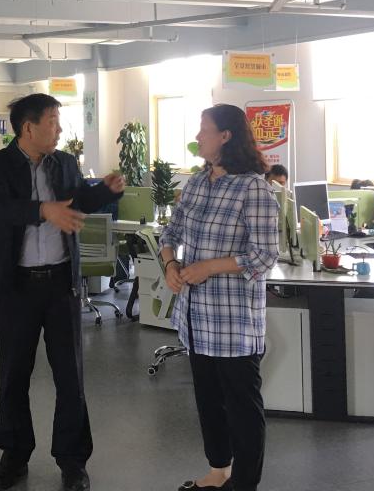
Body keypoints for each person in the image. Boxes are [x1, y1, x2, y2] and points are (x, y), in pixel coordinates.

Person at [0, 93, 124, 491]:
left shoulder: (65, 163)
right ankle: (14, 456)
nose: (59, 130)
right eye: (53, 122)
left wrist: (105, 191)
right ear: (29, 127)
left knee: (70, 376)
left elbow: (78, 201)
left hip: (61, 284)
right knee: (14, 375)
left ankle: (73, 461)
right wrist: (44, 210)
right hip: (18, 286)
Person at [159, 104, 279, 491]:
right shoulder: (196, 182)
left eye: (204, 129)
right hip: (195, 318)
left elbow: (265, 255)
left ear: (226, 136)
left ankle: (244, 484)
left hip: (233, 322)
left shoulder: (253, 187)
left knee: (242, 407)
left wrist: (210, 267)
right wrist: (170, 264)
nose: (198, 137)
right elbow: (170, 233)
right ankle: (218, 471)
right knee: (208, 401)